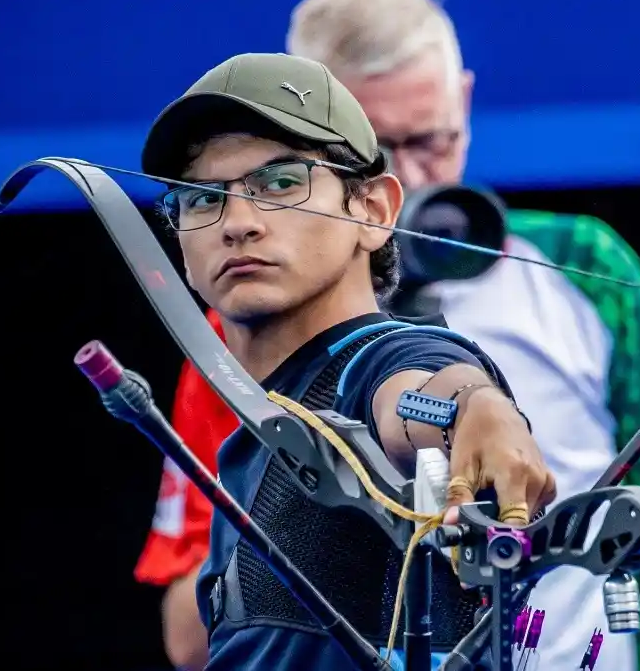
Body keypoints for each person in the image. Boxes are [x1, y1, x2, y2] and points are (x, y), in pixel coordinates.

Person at [137, 0, 640, 671]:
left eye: (431, 140)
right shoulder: (239, 340)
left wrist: (476, 411)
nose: (411, 176)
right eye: (379, 146)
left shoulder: (585, 267)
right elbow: (195, 632)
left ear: (462, 102)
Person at [135, 50, 555, 671]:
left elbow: (418, 392)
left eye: (280, 183)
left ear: (375, 210)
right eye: (201, 198)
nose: (237, 223)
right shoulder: (262, 426)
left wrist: (475, 409)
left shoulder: (373, 362)